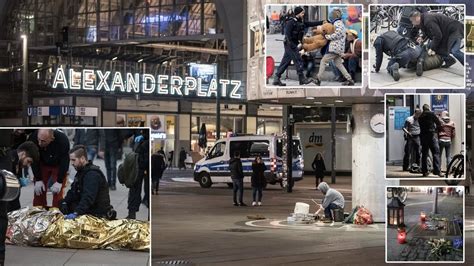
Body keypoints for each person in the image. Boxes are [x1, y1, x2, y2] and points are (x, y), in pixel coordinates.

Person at [0, 131, 39, 266]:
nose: (28, 165)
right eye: (29, 161)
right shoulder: (8, 159)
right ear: (23, 154)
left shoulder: (16, 163)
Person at [60, 145, 115, 220]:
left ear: (82, 159)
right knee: (62, 205)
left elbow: (88, 198)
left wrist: (77, 213)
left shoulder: (92, 175)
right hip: (88, 209)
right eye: (70, 160)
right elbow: (73, 191)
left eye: (73, 160)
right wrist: (64, 202)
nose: (71, 163)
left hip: (97, 213)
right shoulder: (81, 171)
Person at [272, 6, 324, 86]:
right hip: (290, 44)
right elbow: (287, 34)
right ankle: (302, 78)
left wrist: (322, 22)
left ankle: (276, 78)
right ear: (298, 13)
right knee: (298, 60)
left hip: (293, 44)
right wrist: (292, 46)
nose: (303, 14)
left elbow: (310, 23)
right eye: (302, 13)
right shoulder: (291, 22)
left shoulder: (301, 21)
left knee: (286, 61)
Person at [313, 8, 355, 86]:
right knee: (339, 64)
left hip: (335, 47)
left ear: (334, 16)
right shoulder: (338, 23)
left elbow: (337, 34)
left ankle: (318, 79)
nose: (330, 17)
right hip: (338, 47)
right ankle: (350, 80)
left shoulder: (337, 23)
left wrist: (327, 36)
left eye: (331, 15)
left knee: (323, 61)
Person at [30, 129, 70, 208]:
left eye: (43, 141)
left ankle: (57, 213)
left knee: (57, 192)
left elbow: (65, 161)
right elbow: (33, 158)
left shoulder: (62, 140)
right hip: (41, 162)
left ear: (52, 138)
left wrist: (59, 181)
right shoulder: (33, 137)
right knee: (39, 190)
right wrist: (38, 179)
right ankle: (38, 212)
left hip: (58, 164)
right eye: (38, 140)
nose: (39, 143)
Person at [127, 130, 150, 219]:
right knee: (135, 186)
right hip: (140, 155)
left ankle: (132, 213)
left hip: (142, 153)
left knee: (137, 186)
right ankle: (132, 213)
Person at [418, 104, 442, 177]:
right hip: (431, 135)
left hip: (423, 137)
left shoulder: (420, 117)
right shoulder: (431, 114)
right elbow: (438, 123)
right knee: (436, 152)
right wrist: (436, 130)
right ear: (428, 108)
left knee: (424, 154)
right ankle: (437, 171)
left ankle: (424, 172)